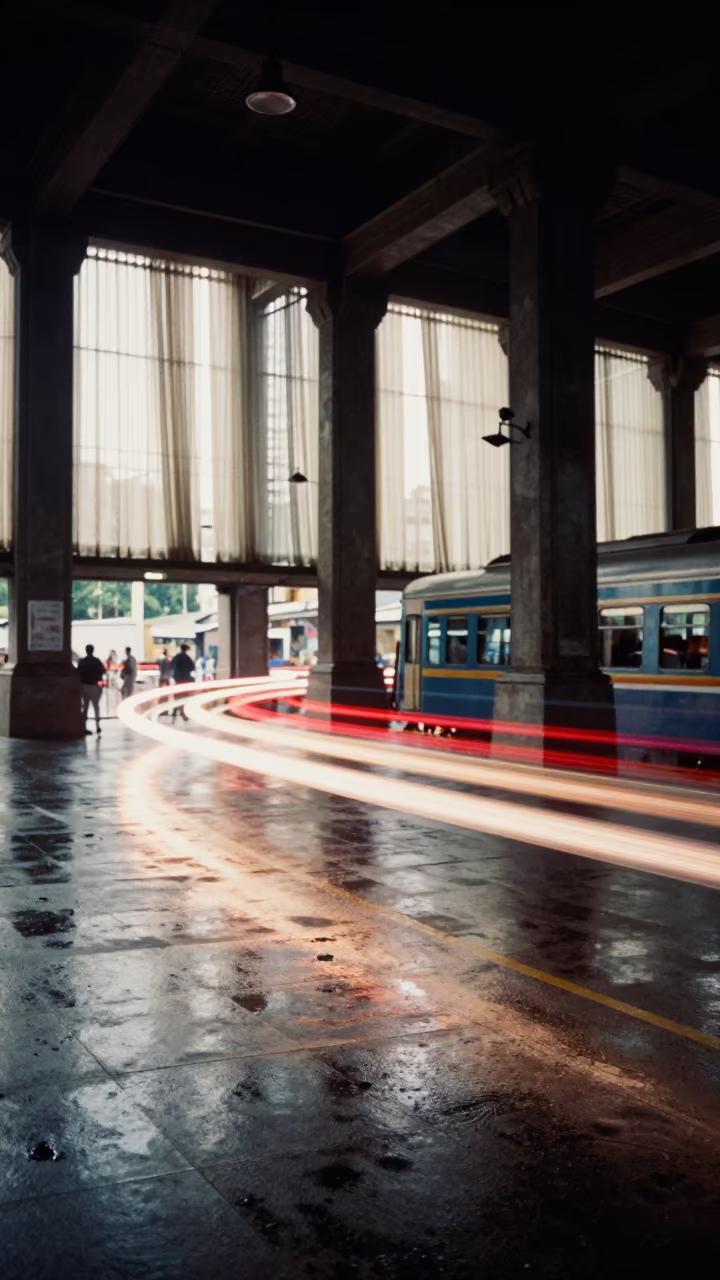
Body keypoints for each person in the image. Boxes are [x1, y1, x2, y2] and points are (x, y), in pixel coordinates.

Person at [78, 644, 105, 736]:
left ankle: (84, 726)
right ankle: (97, 726)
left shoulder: (82, 661)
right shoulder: (97, 661)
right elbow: (102, 671)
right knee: (96, 706)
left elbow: (79, 672)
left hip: (84, 685)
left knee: (85, 707)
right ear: (93, 650)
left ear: (86, 650)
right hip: (94, 686)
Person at [171, 643, 195, 720]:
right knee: (184, 697)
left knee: (177, 697)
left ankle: (175, 713)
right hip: (185, 680)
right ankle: (183, 713)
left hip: (178, 679)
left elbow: (171, 665)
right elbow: (192, 667)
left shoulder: (177, 657)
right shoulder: (188, 658)